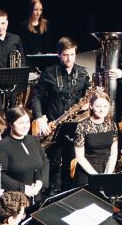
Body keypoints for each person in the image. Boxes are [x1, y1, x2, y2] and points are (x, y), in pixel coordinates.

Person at [29, 37, 90, 190]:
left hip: (74, 125)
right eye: (65, 55)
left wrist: (88, 105)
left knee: (71, 160)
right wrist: (39, 119)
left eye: (72, 54)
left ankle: (67, 191)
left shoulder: (83, 73)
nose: (69, 58)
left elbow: (87, 96)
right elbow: (36, 97)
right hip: (53, 125)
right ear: (58, 54)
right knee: (53, 162)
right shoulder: (49, 73)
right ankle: (51, 191)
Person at [0, 106, 49, 203]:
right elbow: (1, 176)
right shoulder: (3, 146)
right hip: (16, 200)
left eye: (27, 122)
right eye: (21, 123)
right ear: (10, 124)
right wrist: (23, 188)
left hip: (37, 197)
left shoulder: (33, 139)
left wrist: (41, 182)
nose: (26, 126)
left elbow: (45, 162)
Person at [73, 91, 118, 186]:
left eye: (105, 106)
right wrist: (96, 176)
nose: (102, 110)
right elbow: (79, 157)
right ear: (91, 106)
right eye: (98, 106)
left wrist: (108, 174)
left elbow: (113, 153)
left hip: (106, 169)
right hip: (87, 170)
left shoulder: (112, 125)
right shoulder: (82, 126)